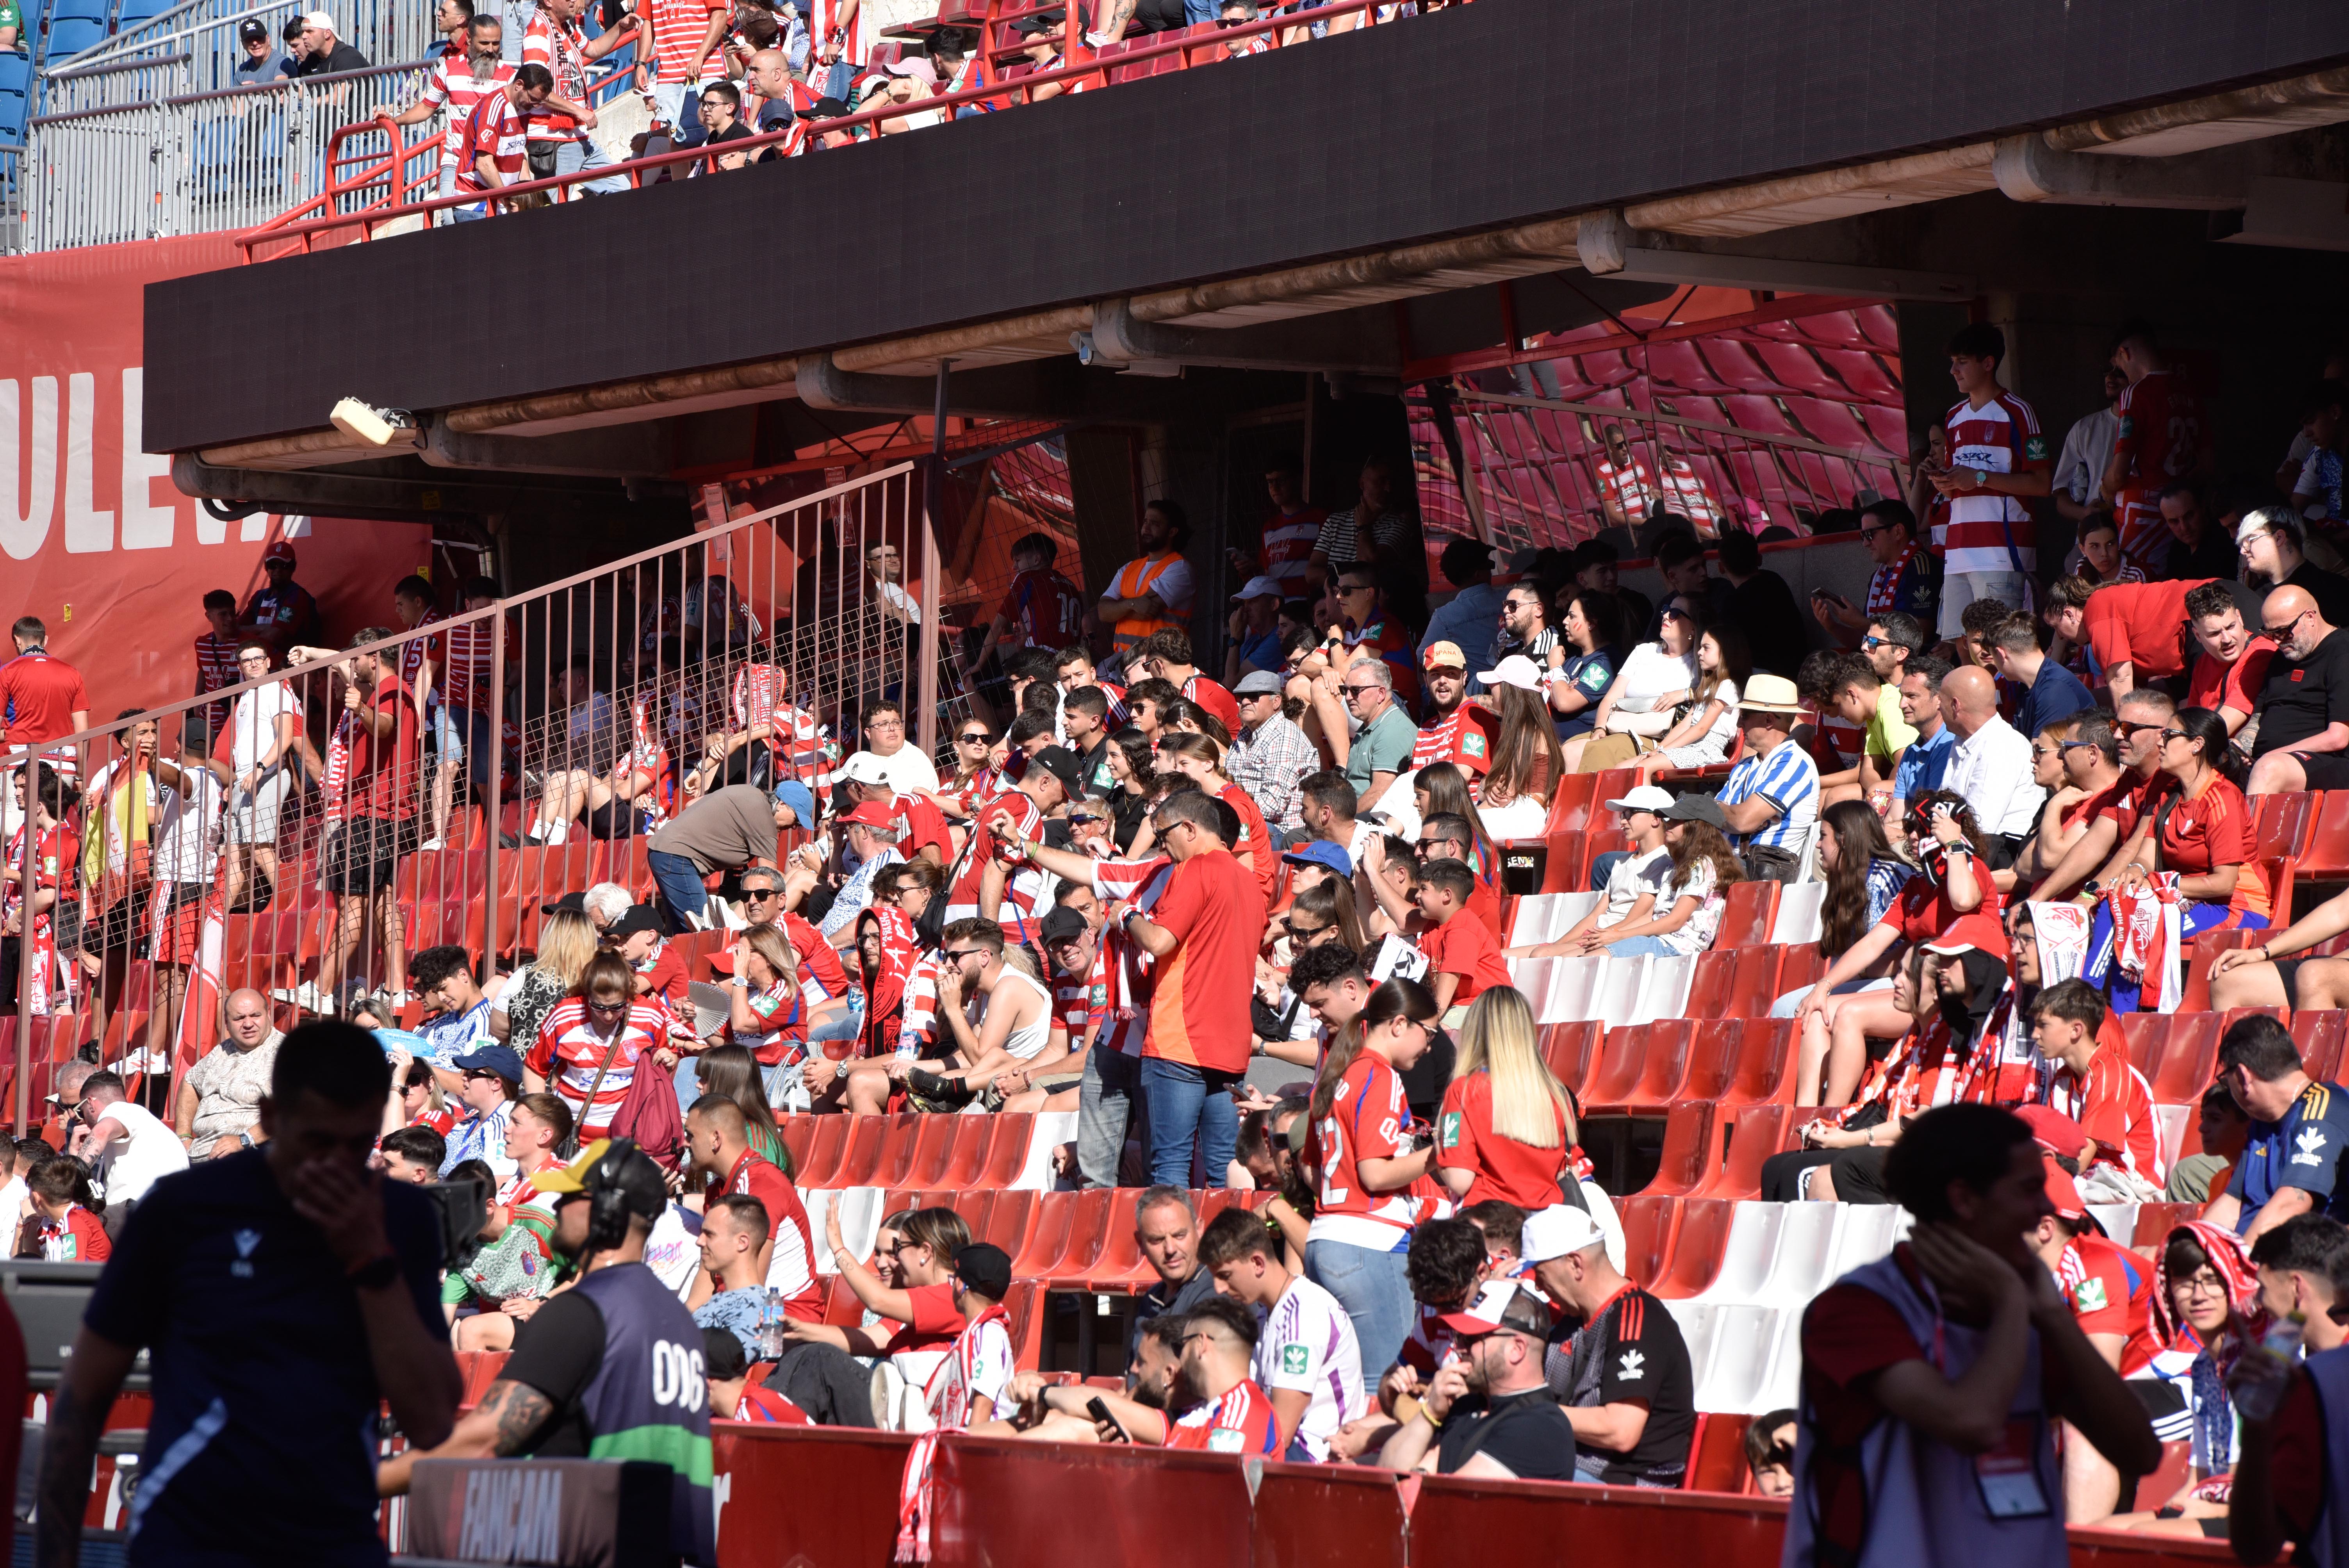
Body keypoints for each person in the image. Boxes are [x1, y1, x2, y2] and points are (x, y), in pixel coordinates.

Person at [38, 1023, 460, 1568]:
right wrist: (55, 1551)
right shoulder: (186, 1209)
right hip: (190, 1535)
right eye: (315, 1139)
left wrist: (371, 1268)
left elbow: (430, 1419)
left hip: (329, 1537)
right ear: (272, 1113)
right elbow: (86, 1388)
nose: (330, 1164)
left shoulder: (399, 1218)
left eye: (354, 1144)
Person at [1782, 1104, 2163, 1568]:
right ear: (1965, 1198)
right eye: (2028, 1188)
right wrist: (2014, 1304)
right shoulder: (1858, 1308)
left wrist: (2053, 1316)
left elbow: (2137, 1448)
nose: (2046, 1207)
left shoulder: (2027, 1307)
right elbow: (1970, 1423)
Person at [376, 1139, 713, 1566]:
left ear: (604, 1210)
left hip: (581, 1544)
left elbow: (485, 1438)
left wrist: (366, 1480)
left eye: (570, 1196)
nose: (557, 1208)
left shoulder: (585, 1310)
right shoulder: (678, 1320)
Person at [1795, 789, 1995, 1106]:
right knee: (1819, 1013)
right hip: (1922, 991)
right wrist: (1825, 985)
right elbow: (1874, 943)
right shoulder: (1915, 886)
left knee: (1849, 1013)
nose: (1910, 835)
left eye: (1919, 827)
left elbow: (1963, 900)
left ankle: (1831, 1117)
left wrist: (1954, 844)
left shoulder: (1970, 868)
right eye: (1910, 826)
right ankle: (1803, 1117)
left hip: (1960, 994)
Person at [1301, 976, 1438, 1392]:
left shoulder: (1336, 1074)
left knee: (1332, 1390)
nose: (1429, 1045)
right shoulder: (1381, 1076)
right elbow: (1374, 1174)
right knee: (1384, 1387)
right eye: (1428, 1033)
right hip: (1371, 1243)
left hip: (1323, 1239)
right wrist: (1439, 1154)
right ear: (1399, 1024)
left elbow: (1309, 1168)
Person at [1521, 1203, 1695, 1486]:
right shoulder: (1570, 1320)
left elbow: (1621, 1430)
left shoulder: (1640, 1321)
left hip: (1626, 1487)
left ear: (1575, 1264)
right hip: (1571, 1467)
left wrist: (1532, 1412)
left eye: (1541, 1275)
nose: (1540, 1287)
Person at [1196, 1205, 1366, 1458]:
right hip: (1288, 1451)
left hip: (1315, 1457)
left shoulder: (1304, 1314)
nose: (1219, 1288)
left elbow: (1280, 1434)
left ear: (1257, 1263)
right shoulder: (1269, 1311)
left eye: (1225, 1275)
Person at [1374, 1279, 1579, 1480]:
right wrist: (1430, 1413)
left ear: (1516, 1349)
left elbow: (1450, 1501)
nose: (1459, 1348)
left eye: (1471, 1339)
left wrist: (1417, 1475)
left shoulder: (1541, 1426)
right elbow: (1387, 1481)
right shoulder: (1464, 1407)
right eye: (1458, 1337)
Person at [1435, 986, 1583, 1211]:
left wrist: (1439, 1141)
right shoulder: (1558, 1093)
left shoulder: (1464, 1090)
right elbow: (1570, 1173)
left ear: (1475, 1030)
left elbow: (1459, 1180)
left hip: (1489, 1227)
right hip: (1545, 1228)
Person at [2201, 1014, 2349, 1240]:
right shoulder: (2262, 1121)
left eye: (2225, 1080)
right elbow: (2232, 1204)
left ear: (2242, 1076)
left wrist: (2235, 1270)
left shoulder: (2323, 1112)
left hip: (2300, 1264)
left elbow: (2288, 1207)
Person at [2101, 320, 2211, 568]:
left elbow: (2118, 473)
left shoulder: (2136, 393)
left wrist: (2106, 490)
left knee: (2129, 585)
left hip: (2142, 511)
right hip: (2180, 511)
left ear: (2124, 353)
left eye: (2119, 367)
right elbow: (2207, 465)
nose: (2123, 374)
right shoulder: (2191, 391)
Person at [645, 780, 809, 932]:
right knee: (704, 933)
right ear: (782, 805)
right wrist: (797, 877)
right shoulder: (765, 818)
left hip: (664, 852)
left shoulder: (749, 792)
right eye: (796, 820)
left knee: (684, 932)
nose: (794, 827)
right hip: (677, 858)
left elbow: (691, 804)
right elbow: (769, 877)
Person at [1560, 595, 1698, 774]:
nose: (1665, 616)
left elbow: (1719, 690)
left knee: (1599, 751)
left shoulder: (1697, 662)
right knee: (1568, 749)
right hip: (1618, 728)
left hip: (1654, 737)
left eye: (1675, 614)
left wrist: (1685, 694)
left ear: (1694, 628)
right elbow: (1612, 697)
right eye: (1666, 610)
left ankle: (1589, 802)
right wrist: (1600, 728)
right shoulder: (1644, 651)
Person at [2245, 584, 2349, 796]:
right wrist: (2239, 749)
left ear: (2310, 617)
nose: (2277, 641)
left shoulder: (2342, 651)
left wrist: (2270, 757)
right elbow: (2257, 718)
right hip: (2268, 762)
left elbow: (2339, 737)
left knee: (2268, 770)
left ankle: (2249, 831)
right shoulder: (2281, 657)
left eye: (2283, 632)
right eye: (2269, 634)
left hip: (2327, 762)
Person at [1716, 674, 1821, 883]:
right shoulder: (1745, 766)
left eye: (1745, 714)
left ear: (1769, 720)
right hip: (1726, 871)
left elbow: (1742, 820)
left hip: (1755, 881)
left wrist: (1725, 811)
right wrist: (1725, 811)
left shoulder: (1794, 762)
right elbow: (1715, 815)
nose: (1738, 723)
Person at [1940, 665, 2042, 868]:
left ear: (1955, 705)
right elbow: (1943, 805)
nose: (1938, 707)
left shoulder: (2001, 745)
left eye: (1940, 701)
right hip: (1959, 850)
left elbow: (1979, 829)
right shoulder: (1963, 738)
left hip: (1995, 862)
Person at [66, 1069, 190, 1233]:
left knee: (72, 1230)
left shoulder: (122, 1111)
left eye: (80, 1111)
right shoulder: (136, 1124)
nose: (81, 1118)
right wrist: (75, 1153)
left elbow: (101, 1132)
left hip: (139, 1211)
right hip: (162, 1213)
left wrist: (67, 1179)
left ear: (91, 1103)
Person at [1631, 620, 1747, 779]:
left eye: (1706, 648)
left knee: (1643, 768)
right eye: (1701, 647)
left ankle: (1645, 805)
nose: (1699, 652)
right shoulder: (1706, 686)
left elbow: (1701, 728)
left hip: (1706, 749)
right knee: (1624, 767)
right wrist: (1659, 748)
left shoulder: (1728, 685)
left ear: (1726, 653)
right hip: (1689, 745)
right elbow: (1686, 724)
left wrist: (1665, 751)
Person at [175, 988, 282, 1158]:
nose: (248, 1024)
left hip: (251, 1153)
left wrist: (245, 1140)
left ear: (268, 1015)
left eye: (255, 1016)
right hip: (198, 1153)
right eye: (239, 1018)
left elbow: (295, 1109)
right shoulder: (222, 1051)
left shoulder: (286, 1054)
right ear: (227, 1023)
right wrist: (183, 1137)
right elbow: (190, 1081)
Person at [1098, 499, 1195, 660]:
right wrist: (1132, 604)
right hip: (1125, 662)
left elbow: (1147, 611)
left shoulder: (1180, 568)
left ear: (1172, 532)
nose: (1146, 528)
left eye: (1155, 523)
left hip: (1161, 663)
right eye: (1145, 521)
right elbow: (1103, 612)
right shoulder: (1129, 568)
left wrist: (1117, 610)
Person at [1986, 614, 2097, 749]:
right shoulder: (2027, 685)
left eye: (1993, 657)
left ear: (2001, 654)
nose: (1994, 665)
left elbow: (2040, 755)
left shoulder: (2055, 689)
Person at [1130, 1186, 1219, 1353]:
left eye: (1180, 1235)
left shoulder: (1219, 1291)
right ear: (1140, 1243)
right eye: (1157, 1240)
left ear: (1199, 1230)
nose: (1170, 1249)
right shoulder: (1150, 1300)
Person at [1227, 670, 1317, 834]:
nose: (1245, 702)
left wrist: (1230, 814)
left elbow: (1272, 806)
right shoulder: (1243, 737)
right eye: (1241, 698)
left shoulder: (1285, 736)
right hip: (1243, 820)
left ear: (1276, 702)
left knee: (1231, 836)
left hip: (1277, 832)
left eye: (1254, 696)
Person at [0, 616, 91, 777]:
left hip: (18, 764)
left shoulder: (7, 672)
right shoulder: (72, 673)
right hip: (63, 766)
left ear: (17, 640)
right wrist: (81, 772)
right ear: (46, 640)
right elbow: (83, 733)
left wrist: (8, 733)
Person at [691, 1192, 775, 1360]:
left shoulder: (754, 1309)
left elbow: (728, 1370)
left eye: (710, 1234)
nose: (699, 1241)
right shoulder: (718, 1301)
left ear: (742, 1242)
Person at [1718, 527, 1807, 670]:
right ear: (1759, 560)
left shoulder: (1732, 605)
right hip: (1796, 672)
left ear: (1720, 568)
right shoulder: (1775, 582)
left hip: (1761, 682)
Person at [1418, 539, 1508, 678]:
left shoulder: (1445, 617)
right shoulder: (1512, 600)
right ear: (1478, 574)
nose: (1491, 572)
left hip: (1476, 692)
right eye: (1490, 567)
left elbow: (1422, 658)